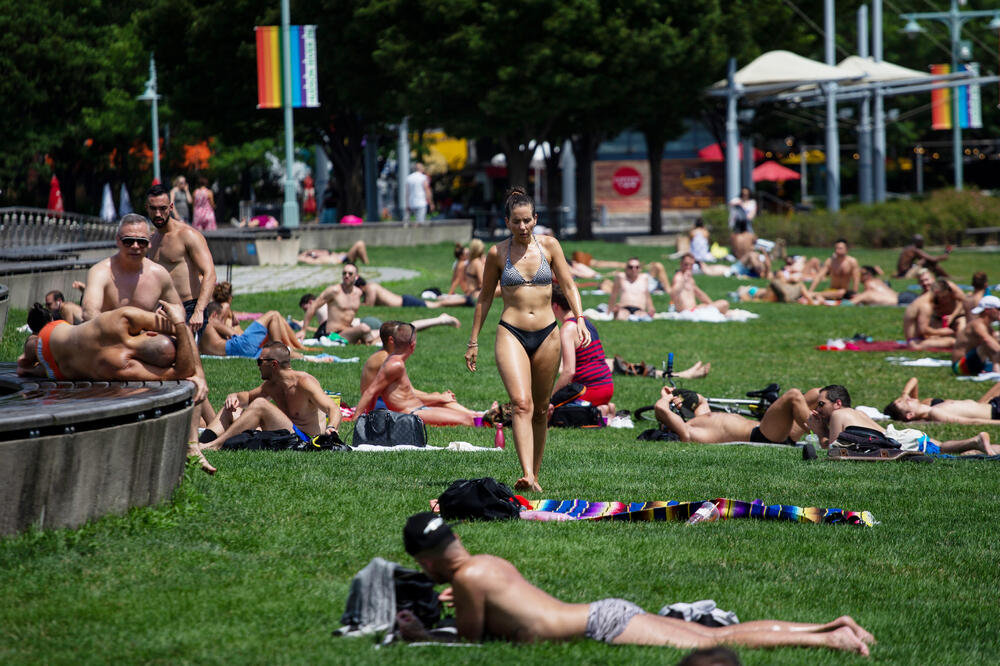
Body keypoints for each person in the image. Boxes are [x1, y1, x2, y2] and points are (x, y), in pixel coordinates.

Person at [395, 512, 875, 655]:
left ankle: (830, 638)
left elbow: (472, 642)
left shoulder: (470, 577)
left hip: (601, 624)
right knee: (718, 635)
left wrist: (422, 635)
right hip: (603, 613)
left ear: (426, 560)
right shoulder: (485, 564)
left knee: (718, 640)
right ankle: (829, 628)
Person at [466, 186, 589, 493]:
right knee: (522, 404)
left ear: (535, 219)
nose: (522, 227)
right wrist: (473, 341)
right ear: (507, 221)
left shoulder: (550, 246)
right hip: (511, 332)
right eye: (516, 221)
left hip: (548, 333)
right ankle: (526, 474)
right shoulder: (497, 253)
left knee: (542, 408)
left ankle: (534, 474)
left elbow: (569, 285)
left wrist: (580, 318)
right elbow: (484, 298)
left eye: (527, 220)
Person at [199, 341, 341, 451]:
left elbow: (333, 408)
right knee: (231, 408)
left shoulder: (304, 382)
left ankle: (216, 445)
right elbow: (247, 397)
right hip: (283, 433)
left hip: (304, 439)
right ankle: (201, 443)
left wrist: (332, 427)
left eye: (260, 361)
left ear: (274, 364)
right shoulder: (271, 385)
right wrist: (234, 395)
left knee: (260, 404)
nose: (258, 366)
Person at [806, 384, 991, 455]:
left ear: (837, 403)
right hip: (905, 435)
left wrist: (820, 431)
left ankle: (974, 443)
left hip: (901, 442)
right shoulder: (857, 413)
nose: (818, 408)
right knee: (942, 447)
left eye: (821, 404)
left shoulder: (838, 414)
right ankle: (975, 443)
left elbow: (834, 451)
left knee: (941, 449)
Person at [355, 322, 478, 426]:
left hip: (416, 409)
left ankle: (480, 415)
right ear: (412, 345)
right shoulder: (393, 364)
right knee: (467, 420)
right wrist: (358, 419)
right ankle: (482, 418)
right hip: (410, 413)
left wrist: (436, 396)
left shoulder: (396, 362)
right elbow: (371, 392)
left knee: (468, 417)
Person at [146, 184, 217, 335]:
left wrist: (199, 311)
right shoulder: (151, 241)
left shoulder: (187, 235)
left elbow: (210, 273)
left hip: (189, 310)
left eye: (162, 208)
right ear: (147, 208)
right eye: (153, 209)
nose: (158, 214)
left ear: (171, 207)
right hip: (161, 311)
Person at [81, 214, 181, 320]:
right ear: (118, 240)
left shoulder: (159, 274)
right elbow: (89, 312)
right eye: (128, 241)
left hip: (147, 329)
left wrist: (168, 317)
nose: (135, 246)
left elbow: (179, 310)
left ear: (149, 243)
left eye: (142, 242)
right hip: (107, 329)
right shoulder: (100, 272)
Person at [654, 386, 810, 445]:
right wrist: (667, 399)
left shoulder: (698, 421)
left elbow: (700, 401)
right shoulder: (689, 432)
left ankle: (822, 432)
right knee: (794, 395)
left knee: (816, 394)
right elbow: (660, 409)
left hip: (773, 430)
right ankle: (822, 437)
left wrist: (675, 393)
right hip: (763, 435)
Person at [550, 283, 615, 418]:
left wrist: (551, 398)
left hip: (590, 390)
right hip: (607, 385)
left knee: (550, 411)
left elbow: (569, 371)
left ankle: (598, 411)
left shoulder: (568, 329)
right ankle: (604, 408)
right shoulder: (585, 322)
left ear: (555, 306)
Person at [298, 263, 379, 345]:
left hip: (348, 331)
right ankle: (371, 343)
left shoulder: (358, 293)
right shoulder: (334, 291)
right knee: (364, 328)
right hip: (334, 334)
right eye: (344, 273)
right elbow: (313, 306)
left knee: (381, 332)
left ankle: (368, 342)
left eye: (350, 274)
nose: (346, 276)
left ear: (356, 277)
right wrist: (303, 330)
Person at [199, 302, 307, 358]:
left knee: (270, 350)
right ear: (214, 315)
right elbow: (234, 334)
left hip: (240, 351)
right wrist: (231, 325)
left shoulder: (202, 336)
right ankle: (280, 351)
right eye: (221, 318)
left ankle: (305, 357)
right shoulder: (211, 321)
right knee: (273, 315)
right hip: (239, 346)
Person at [884, 376, 1000, 427]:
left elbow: (914, 380)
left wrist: (904, 394)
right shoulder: (934, 412)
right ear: (910, 415)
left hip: (992, 404)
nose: (908, 398)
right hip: (996, 410)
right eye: (906, 402)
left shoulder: (927, 406)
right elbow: (971, 422)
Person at [903, 275, 965, 350]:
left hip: (916, 340)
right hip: (916, 343)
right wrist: (941, 331)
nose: (943, 300)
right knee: (953, 342)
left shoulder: (922, 300)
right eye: (943, 297)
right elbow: (923, 330)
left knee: (951, 339)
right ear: (937, 293)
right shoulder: (926, 306)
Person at [951, 295, 1000, 375]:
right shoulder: (977, 324)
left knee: (996, 338)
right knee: (988, 343)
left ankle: (995, 368)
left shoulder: (987, 327)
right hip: (959, 366)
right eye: (998, 309)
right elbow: (987, 341)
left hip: (971, 362)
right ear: (987, 310)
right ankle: (996, 369)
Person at [297, 240, 369, 265]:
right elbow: (300, 258)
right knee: (360, 244)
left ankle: (366, 263)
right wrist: (305, 254)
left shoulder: (313, 252)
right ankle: (366, 263)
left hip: (343, 256)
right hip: (342, 260)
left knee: (360, 245)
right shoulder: (309, 258)